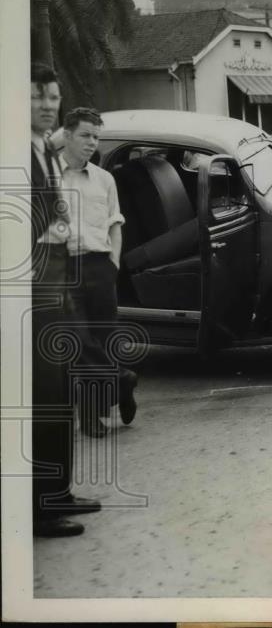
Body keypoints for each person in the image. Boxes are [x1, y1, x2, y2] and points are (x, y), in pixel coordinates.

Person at [29, 64, 101, 537]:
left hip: (58, 284)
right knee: (45, 398)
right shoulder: (18, 151)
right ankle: (40, 506)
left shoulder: (45, 148)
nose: (48, 104)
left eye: (53, 96)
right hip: (36, 291)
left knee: (62, 390)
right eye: (37, 97)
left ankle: (59, 490)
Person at [59, 108, 138, 438]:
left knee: (102, 341)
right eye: (85, 135)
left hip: (101, 267)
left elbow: (115, 225)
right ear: (67, 136)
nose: (92, 143)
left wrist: (114, 263)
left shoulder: (104, 180)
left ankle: (93, 416)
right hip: (64, 270)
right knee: (78, 341)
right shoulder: (48, 179)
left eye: (96, 137)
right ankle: (122, 380)